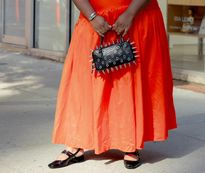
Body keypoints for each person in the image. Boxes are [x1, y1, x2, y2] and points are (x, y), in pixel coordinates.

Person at [48, 0, 177, 169]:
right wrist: (93, 17)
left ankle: (130, 143)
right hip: (93, 17)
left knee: (128, 84)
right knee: (83, 84)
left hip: (136, 16)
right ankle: (75, 143)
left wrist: (130, 13)